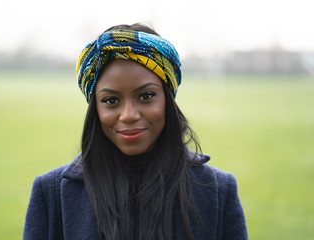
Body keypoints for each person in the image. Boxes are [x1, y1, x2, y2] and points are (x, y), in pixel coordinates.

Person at [23, 23, 248, 240]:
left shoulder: (219, 190)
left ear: (167, 100)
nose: (129, 115)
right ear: (95, 108)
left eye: (146, 96)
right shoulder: (50, 194)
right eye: (111, 100)